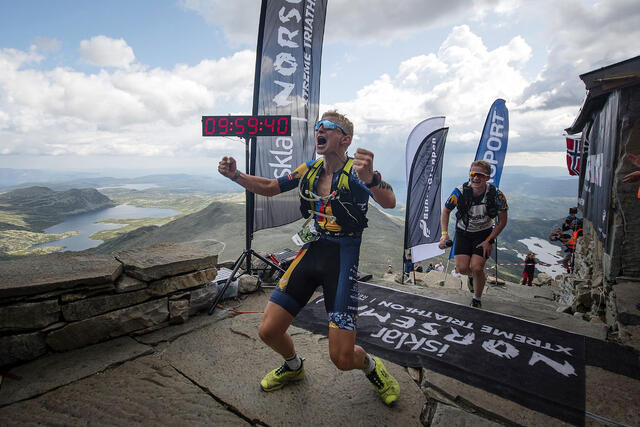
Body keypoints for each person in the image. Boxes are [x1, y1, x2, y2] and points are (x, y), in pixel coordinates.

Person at [218, 110, 400, 405]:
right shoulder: (311, 169)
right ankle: (293, 367)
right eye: (318, 127)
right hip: (312, 250)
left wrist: (373, 179)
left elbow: (390, 201)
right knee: (268, 331)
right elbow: (270, 187)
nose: (319, 130)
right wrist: (235, 175)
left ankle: (371, 367)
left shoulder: (357, 173)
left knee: (341, 358)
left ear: (345, 139)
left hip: (342, 259)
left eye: (327, 127)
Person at [439, 160, 508, 308]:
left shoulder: (496, 195)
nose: (476, 178)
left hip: (484, 234)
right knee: (462, 269)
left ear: (487, 177)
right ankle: (472, 277)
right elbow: (446, 211)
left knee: (477, 267)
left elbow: (502, 221)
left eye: (480, 175)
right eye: (473, 174)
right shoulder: (460, 191)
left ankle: (477, 299)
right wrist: (444, 234)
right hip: (463, 232)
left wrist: (489, 240)